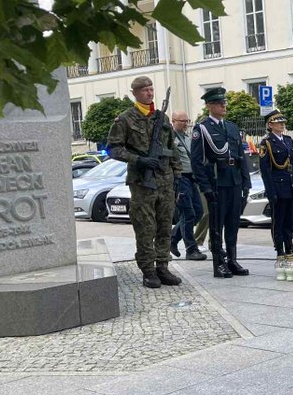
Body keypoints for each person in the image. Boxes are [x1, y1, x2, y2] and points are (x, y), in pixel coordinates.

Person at [106, 76, 182, 289]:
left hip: (165, 180)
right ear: (136, 93)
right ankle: (148, 270)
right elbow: (113, 149)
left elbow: (172, 149)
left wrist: (178, 175)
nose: (150, 93)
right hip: (142, 182)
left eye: (151, 89)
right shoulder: (125, 119)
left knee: (165, 225)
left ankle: (163, 267)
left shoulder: (162, 118)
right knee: (145, 227)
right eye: (145, 90)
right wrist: (138, 159)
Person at [190, 87, 252, 278]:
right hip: (217, 183)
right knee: (217, 225)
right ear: (209, 106)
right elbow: (197, 161)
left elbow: (241, 156)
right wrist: (205, 187)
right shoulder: (202, 129)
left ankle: (232, 260)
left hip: (233, 181)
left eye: (224, 102)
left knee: (233, 223)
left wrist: (245, 182)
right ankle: (219, 264)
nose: (223, 106)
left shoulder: (232, 127)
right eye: (219, 103)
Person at [259, 110, 293, 257]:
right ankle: (279, 248)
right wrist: (271, 192)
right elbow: (266, 170)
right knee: (278, 220)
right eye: (279, 123)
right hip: (278, 186)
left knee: (289, 219)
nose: (282, 125)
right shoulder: (266, 143)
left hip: (290, 185)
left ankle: (289, 244)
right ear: (270, 125)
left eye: (283, 122)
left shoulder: (288, 140)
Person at [169, 110, 207, 261]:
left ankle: (172, 239)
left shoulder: (187, 137)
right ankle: (191, 249)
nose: (186, 124)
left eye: (187, 121)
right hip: (180, 178)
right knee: (188, 214)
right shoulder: (169, 137)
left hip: (191, 178)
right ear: (173, 121)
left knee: (198, 212)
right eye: (182, 121)